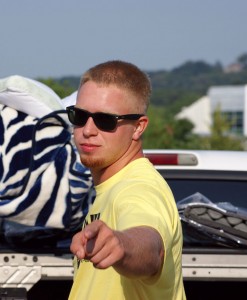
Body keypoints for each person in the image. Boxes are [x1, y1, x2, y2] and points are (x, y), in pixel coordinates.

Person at [66, 60, 186, 300]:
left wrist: (121, 245)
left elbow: (152, 248)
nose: (88, 130)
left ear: (138, 127)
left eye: (106, 120)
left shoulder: (138, 187)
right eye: (79, 116)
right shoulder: (110, 188)